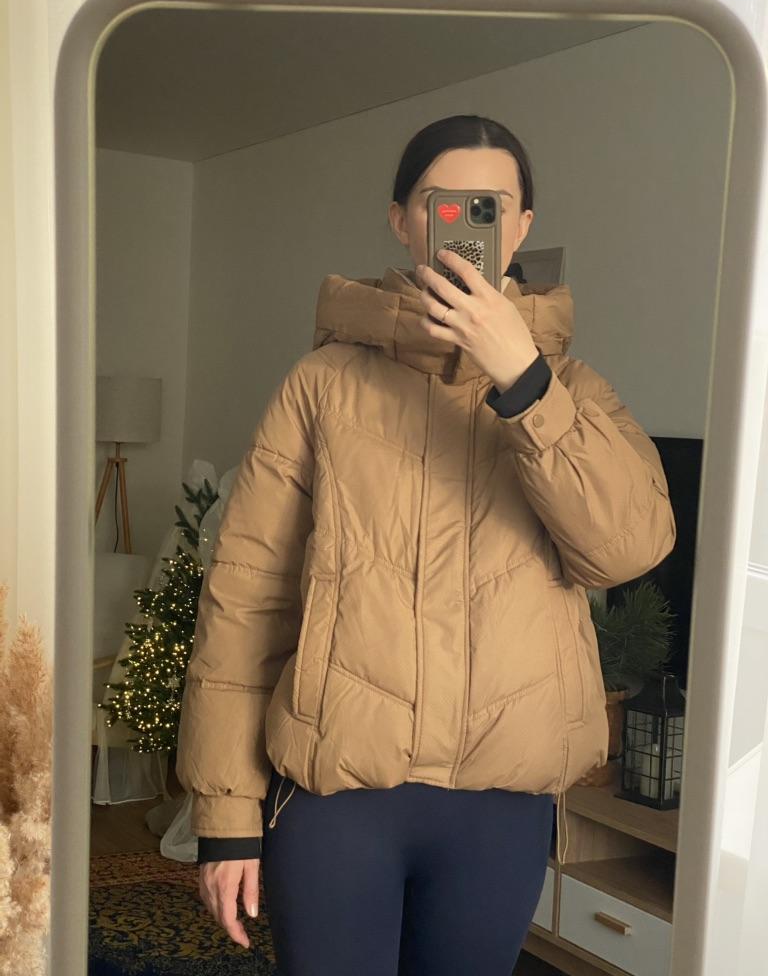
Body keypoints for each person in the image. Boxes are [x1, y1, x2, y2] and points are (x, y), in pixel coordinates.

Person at [175, 114, 676, 974]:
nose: (468, 226)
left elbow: (626, 549)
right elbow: (247, 597)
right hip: (339, 801)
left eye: (492, 207)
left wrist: (525, 382)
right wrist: (226, 815)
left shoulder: (576, 393)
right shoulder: (322, 385)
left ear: (522, 226)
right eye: (444, 204)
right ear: (403, 220)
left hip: (501, 807)